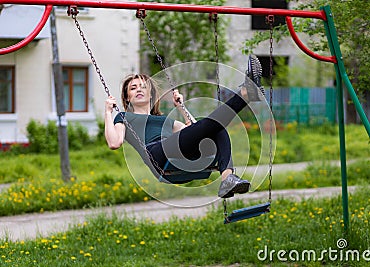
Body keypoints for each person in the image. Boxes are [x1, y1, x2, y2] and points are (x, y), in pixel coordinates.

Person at [104, 55, 263, 198]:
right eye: (133, 88)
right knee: (211, 125)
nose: (139, 89)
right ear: (127, 97)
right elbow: (114, 143)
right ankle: (245, 94)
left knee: (217, 128)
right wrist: (108, 112)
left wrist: (180, 107)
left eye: (143, 86)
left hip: (177, 154)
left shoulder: (165, 120)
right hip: (157, 154)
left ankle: (227, 178)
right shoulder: (124, 117)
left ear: (151, 94)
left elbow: (198, 131)